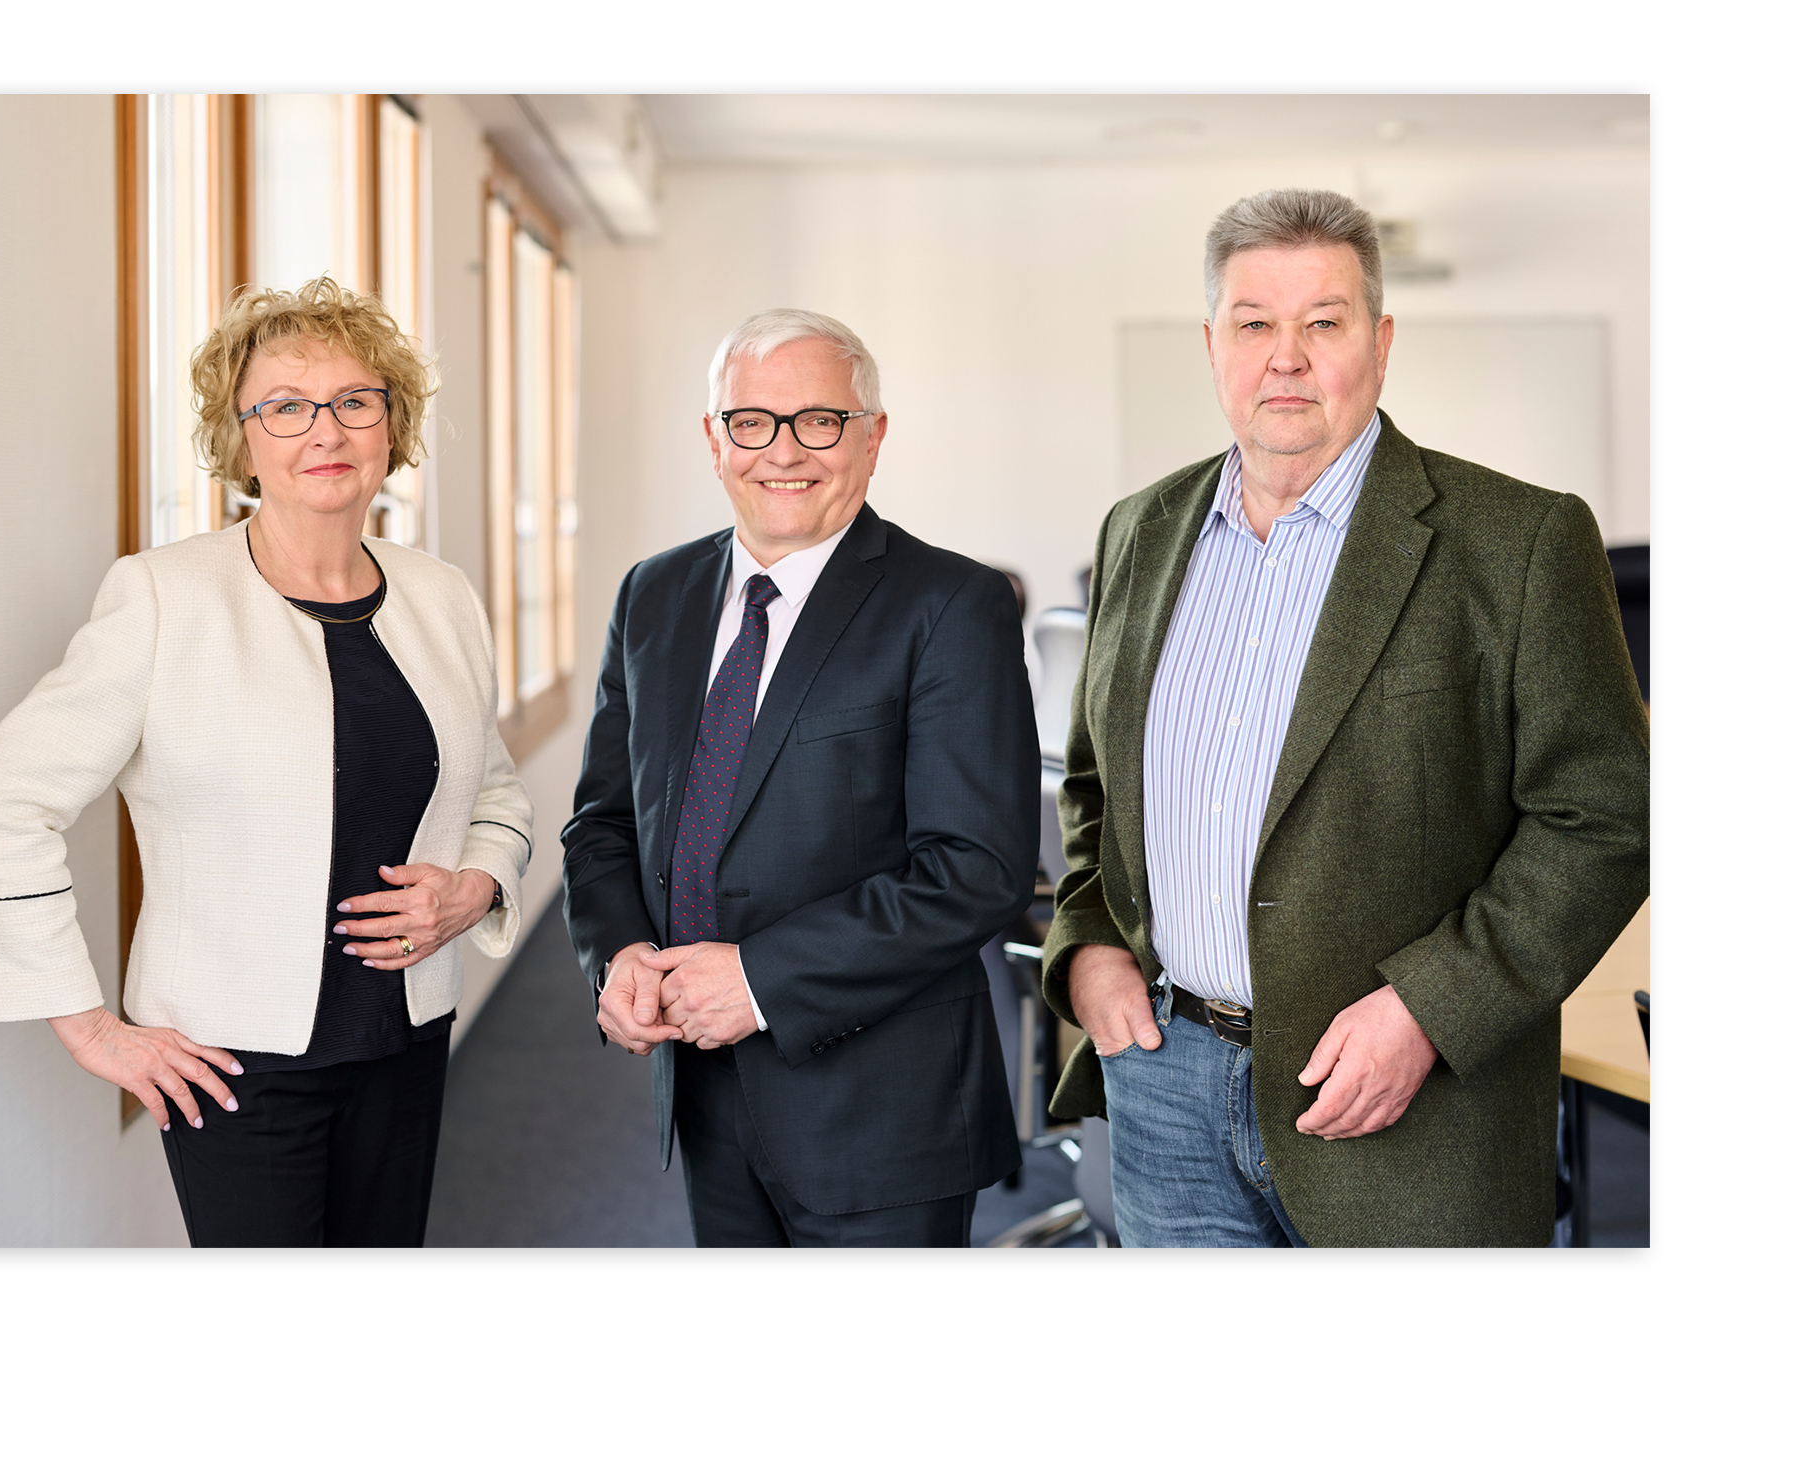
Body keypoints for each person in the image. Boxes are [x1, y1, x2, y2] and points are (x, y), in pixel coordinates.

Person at [1041, 190, 1649, 1247]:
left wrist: (1428, 1009)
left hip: (1406, 1111)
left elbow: (1602, 817)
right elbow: (1095, 786)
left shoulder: (1515, 542)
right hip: (1165, 1082)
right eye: (1252, 323)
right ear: (1209, 344)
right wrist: (1087, 941)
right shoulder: (1137, 532)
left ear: (1378, 340)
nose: (1285, 356)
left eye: (1321, 322)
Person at [0, 277, 532, 1247]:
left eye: (355, 400)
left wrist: (475, 884)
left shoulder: (442, 595)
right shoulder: (163, 599)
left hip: (408, 1034)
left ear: (392, 424)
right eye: (287, 407)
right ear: (241, 434)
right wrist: (84, 1022)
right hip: (229, 1063)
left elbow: (493, 787)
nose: (325, 431)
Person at [561, 309, 1033, 1246]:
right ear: (714, 439)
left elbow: (976, 866)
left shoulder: (950, 604)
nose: (784, 451)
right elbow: (605, 822)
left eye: (819, 420)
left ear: (871, 436)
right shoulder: (652, 594)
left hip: (880, 1110)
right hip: (702, 1091)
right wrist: (614, 957)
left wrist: (760, 978)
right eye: (752, 422)